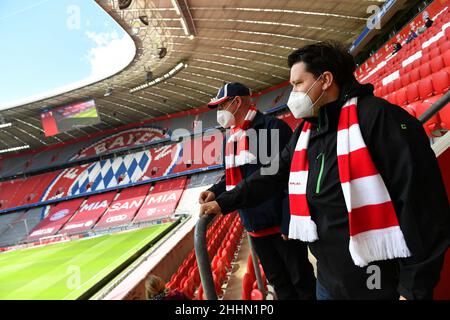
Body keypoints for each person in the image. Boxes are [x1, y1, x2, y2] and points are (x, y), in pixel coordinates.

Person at [200, 41, 450, 300]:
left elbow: (422, 208)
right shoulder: (305, 132)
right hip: (329, 283)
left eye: (298, 84)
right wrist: (223, 201)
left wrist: (411, 291)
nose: (292, 93)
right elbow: (272, 173)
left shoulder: (380, 119)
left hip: (378, 285)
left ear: (326, 80)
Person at [200, 82, 316, 300]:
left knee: (301, 281)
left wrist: (288, 218)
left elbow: (287, 177)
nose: (219, 113)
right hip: (254, 227)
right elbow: (234, 177)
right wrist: (214, 191)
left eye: (221, 106)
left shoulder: (273, 128)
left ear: (236, 102)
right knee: (279, 283)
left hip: (281, 226)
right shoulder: (232, 137)